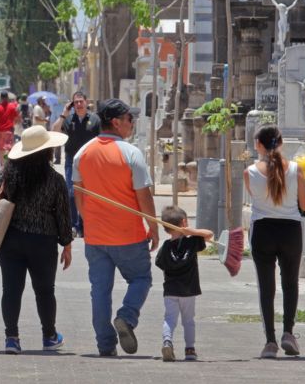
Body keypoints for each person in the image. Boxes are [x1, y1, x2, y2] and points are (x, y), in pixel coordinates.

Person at [72, 98, 158, 357]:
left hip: (96, 237)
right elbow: (144, 196)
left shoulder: (82, 153)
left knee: (99, 291)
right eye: (129, 119)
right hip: (128, 235)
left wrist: (91, 223)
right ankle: (127, 316)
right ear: (116, 122)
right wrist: (153, 228)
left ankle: (105, 345)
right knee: (141, 278)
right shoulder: (131, 153)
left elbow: (79, 196)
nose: (132, 123)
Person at [0, 125, 72, 355]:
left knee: (11, 289)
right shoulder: (55, 179)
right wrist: (67, 244)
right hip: (43, 242)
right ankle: (49, 336)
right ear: (48, 151)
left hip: (10, 240)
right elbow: (62, 214)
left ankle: (12, 338)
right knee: (45, 290)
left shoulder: (9, 173)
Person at [244, 124, 305, 358]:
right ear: (281, 143)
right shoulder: (296, 170)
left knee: (266, 286)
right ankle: (288, 333)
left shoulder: (250, 172)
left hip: (263, 229)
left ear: (258, 145)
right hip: (291, 231)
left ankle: (270, 341)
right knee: (290, 283)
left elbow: (256, 199)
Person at [154, 206, 213, 362]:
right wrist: (191, 231)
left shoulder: (165, 247)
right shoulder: (192, 242)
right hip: (189, 290)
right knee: (188, 321)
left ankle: (167, 341)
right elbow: (209, 234)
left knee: (169, 319)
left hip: (171, 290)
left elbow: (159, 263)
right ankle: (190, 349)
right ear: (184, 222)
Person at [51, 91, 100, 238]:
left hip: (90, 161)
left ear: (86, 102)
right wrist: (64, 113)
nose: (78, 104)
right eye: (76, 102)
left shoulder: (95, 119)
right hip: (72, 161)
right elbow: (55, 130)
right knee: (71, 193)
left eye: (81, 101)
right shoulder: (68, 119)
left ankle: (84, 224)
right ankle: (73, 225)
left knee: (87, 194)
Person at [0, 91, 18, 168]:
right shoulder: (12, 107)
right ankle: (9, 164)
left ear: (1, 98)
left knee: (1, 148)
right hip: (9, 130)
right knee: (9, 147)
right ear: (8, 97)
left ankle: (3, 164)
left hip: (1, 131)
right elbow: (16, 118)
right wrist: (12, 124)